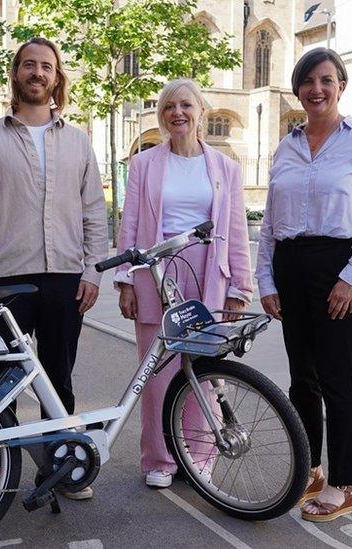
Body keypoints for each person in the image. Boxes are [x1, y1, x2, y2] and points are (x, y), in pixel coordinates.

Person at [0, 37, 108, 501]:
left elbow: (94, 214)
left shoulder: (78, 142)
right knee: (0, 385)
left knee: (58, 380)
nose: (38, 73)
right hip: (3, 283)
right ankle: (1, 472)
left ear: (57, 79)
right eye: (29, 65)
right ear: (16, 74)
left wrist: (93, 274)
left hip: (64, 280)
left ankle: (60, 467)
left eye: (47, 67)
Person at [256, 48, 352, 522]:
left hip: (338, 264)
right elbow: (270, 220)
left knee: (336, 378)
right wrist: (266, 278)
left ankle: (344, 481)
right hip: (291, 265)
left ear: (341, 86)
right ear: (297, 90)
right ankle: (310, 467)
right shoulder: (286, 145)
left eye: (326, 80)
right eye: (308, 81)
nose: (317, 89)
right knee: (300, 378)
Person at [114, 79, 253, 489]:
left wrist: (239, 287)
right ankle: (159, 458)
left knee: (204, 373)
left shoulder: (226, 169)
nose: (178, 112)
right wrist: (125, 280)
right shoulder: (144, 164)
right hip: (155, 274)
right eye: (169, 106)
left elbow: (236, 231)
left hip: (209, 273)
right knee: (156, 373)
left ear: (201, 112)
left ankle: (199, 456)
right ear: (161, 115)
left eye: (186, 105)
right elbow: (131, 225)